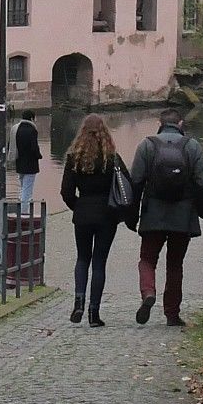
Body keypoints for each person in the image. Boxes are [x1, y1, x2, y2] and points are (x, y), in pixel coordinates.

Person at [128, 107, 203, 326]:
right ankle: (172, 314)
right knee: (175, 264)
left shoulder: (147, 145)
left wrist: (132, 214)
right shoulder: (192, 146)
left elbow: (135, 182)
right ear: (181, 124)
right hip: (183, 215)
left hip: (153, 214)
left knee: (147, 259)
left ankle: (148, 292)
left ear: (160, 122)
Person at [58, 114, 129, 326]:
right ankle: (94, 313)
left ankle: (78, 301)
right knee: (99, 263)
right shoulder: (112, 158)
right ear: (104, 132)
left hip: (83, 214)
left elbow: (66, 192)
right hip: (107, 215)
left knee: (82, 259)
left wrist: (77, 206)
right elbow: (126, 185)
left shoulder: (74, 158)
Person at [13, 109, 42, 208]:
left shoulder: (16, 129)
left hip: (19, 162)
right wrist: (39, 155)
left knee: (22, 188)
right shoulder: (32, 130)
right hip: (30, 164)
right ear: (31, 118)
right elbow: (34, 147)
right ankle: (24, 213)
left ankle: (21, 209)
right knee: (27, 189)